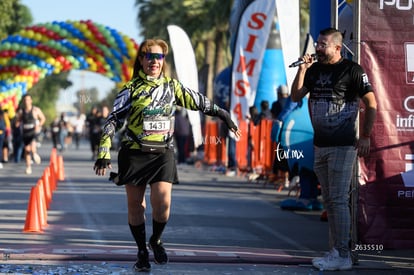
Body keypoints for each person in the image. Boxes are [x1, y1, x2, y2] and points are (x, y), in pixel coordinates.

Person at [92, 38, 241, 272]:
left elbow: (198, 101)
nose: (154, 61)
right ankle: (142, 251)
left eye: (158, 57)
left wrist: (222, 113)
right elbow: (113, 121)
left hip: (162, 154)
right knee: (136, 207)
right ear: (141, 59)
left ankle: (156, 240)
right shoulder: (130, 90)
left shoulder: (172, 87)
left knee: (163, 203)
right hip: (134, 153)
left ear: (163, 61)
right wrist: (103, 152)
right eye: (149, 56)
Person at [291, 27, 377, 271]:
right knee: (329, 200)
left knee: (338, 200)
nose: (318, 48)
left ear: (337, 48)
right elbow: (296, 96)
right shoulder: (314, 70)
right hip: (320, 145)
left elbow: (371, 103)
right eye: (317, 43)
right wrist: (303, 69)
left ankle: (342, 253)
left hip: (343, 145)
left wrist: (366, 136)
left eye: (323, 44)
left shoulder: (352, 70)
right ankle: (337, 250)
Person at [16, 94, 46, 174]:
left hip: (34, 131)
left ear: (31, 101)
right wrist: (17, 123)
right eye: (25, 100)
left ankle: (35, 154)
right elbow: (18, 121)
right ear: (23, 101)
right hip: (25, 132)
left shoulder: (35, 110)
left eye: (28, 100)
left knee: (32, 146)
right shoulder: (21, 111)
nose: (26, 101)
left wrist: (39, 125)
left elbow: (43, 118)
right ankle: (28, 167)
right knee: (27, 150)